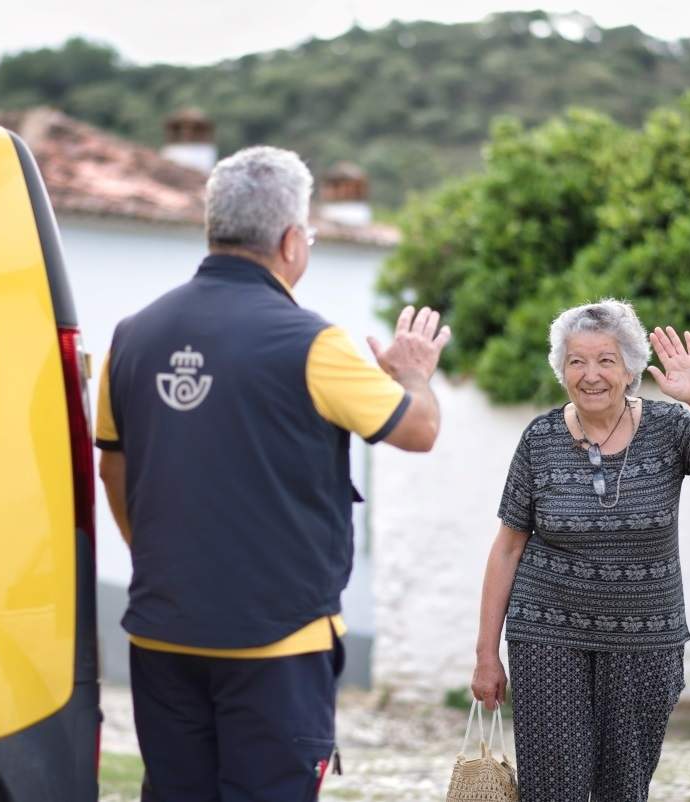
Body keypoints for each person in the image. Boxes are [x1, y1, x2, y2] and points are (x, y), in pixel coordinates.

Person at [94, 145, 451, 802]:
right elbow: (418, 430)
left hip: (162, 633)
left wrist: (162, 560)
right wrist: (410, 374)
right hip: (278, 643)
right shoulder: (313, 343)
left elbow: (113, 470)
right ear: (291, 242)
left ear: (212, 229)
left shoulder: (130, 336)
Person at [471, 299, 690, 802]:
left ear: (629, 369)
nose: (590, 375)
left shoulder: (670, 429)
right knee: (553, 788)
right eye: (576, 361)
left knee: (623, 789)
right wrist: (485, 655)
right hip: (547, 633)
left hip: (645, 641)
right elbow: (507, 549)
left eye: (605, 360)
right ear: (561, 369)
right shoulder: (539, 439)